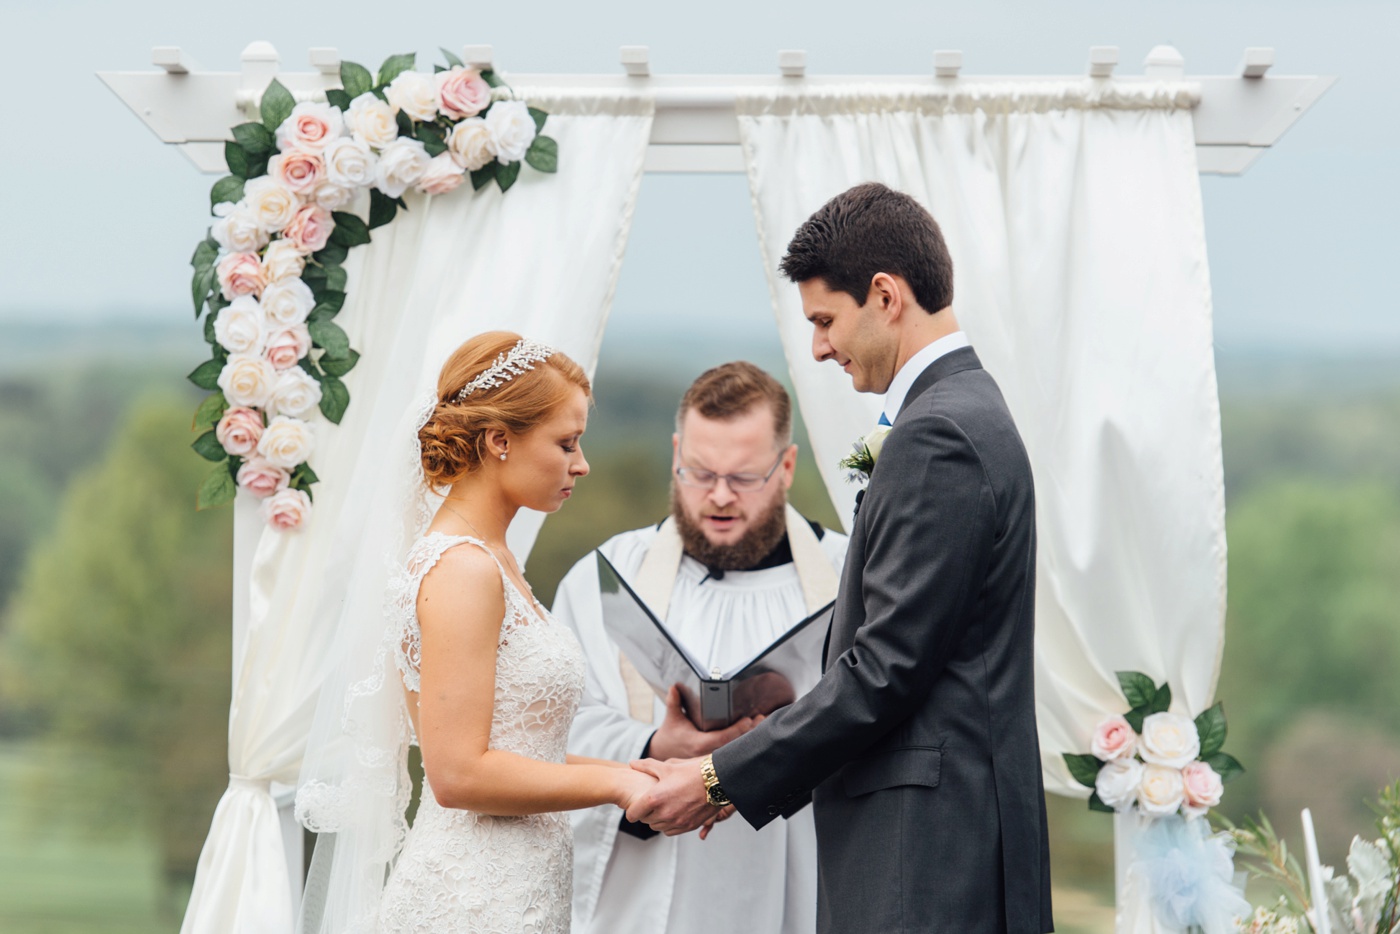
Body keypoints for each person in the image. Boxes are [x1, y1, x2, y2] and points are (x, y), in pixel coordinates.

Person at [626, 184, 1055, 934]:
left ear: (885, 295)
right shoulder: (962, 410)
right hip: (942, 835)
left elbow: (885, 668)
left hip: (925, 853)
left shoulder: (938, 435)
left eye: (825, 320)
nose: (820, 346)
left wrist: (720, 781)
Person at [295, 331, 655, 934]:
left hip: (518, 890)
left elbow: (519, 748)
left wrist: (640, 768)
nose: (582, 464)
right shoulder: (462, 569)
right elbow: (459, 773)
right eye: (566, 443)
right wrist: (615, 784)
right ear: (498, 441)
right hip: (473, 901)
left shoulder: (492, 559)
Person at [553, 362, 848, 934]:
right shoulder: (611, 575)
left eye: (743, 478)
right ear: (674, 455)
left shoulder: (847, 579)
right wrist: (655, 742)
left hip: (792, 878)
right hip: (644, 895)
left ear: (786, 467)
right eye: (698, 472)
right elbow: (554, 725)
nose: (717, 498)